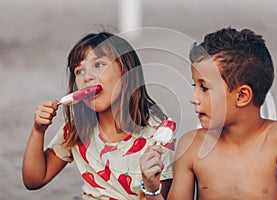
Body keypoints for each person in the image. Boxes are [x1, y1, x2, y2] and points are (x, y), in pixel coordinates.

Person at [139, 27, 277, 199]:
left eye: (204, 88)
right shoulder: (192, 146)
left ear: (242, 96)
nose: (193, 98)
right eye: (195, 86)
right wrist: (152, 188)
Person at [22, 31, 174, 199]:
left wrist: (150, 183)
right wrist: (38, 130)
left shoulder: (157, 136)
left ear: (127, 72)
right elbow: (34, 179)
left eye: (99, 65)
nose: (87, 77)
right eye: (79, 71)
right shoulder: (78, 128)